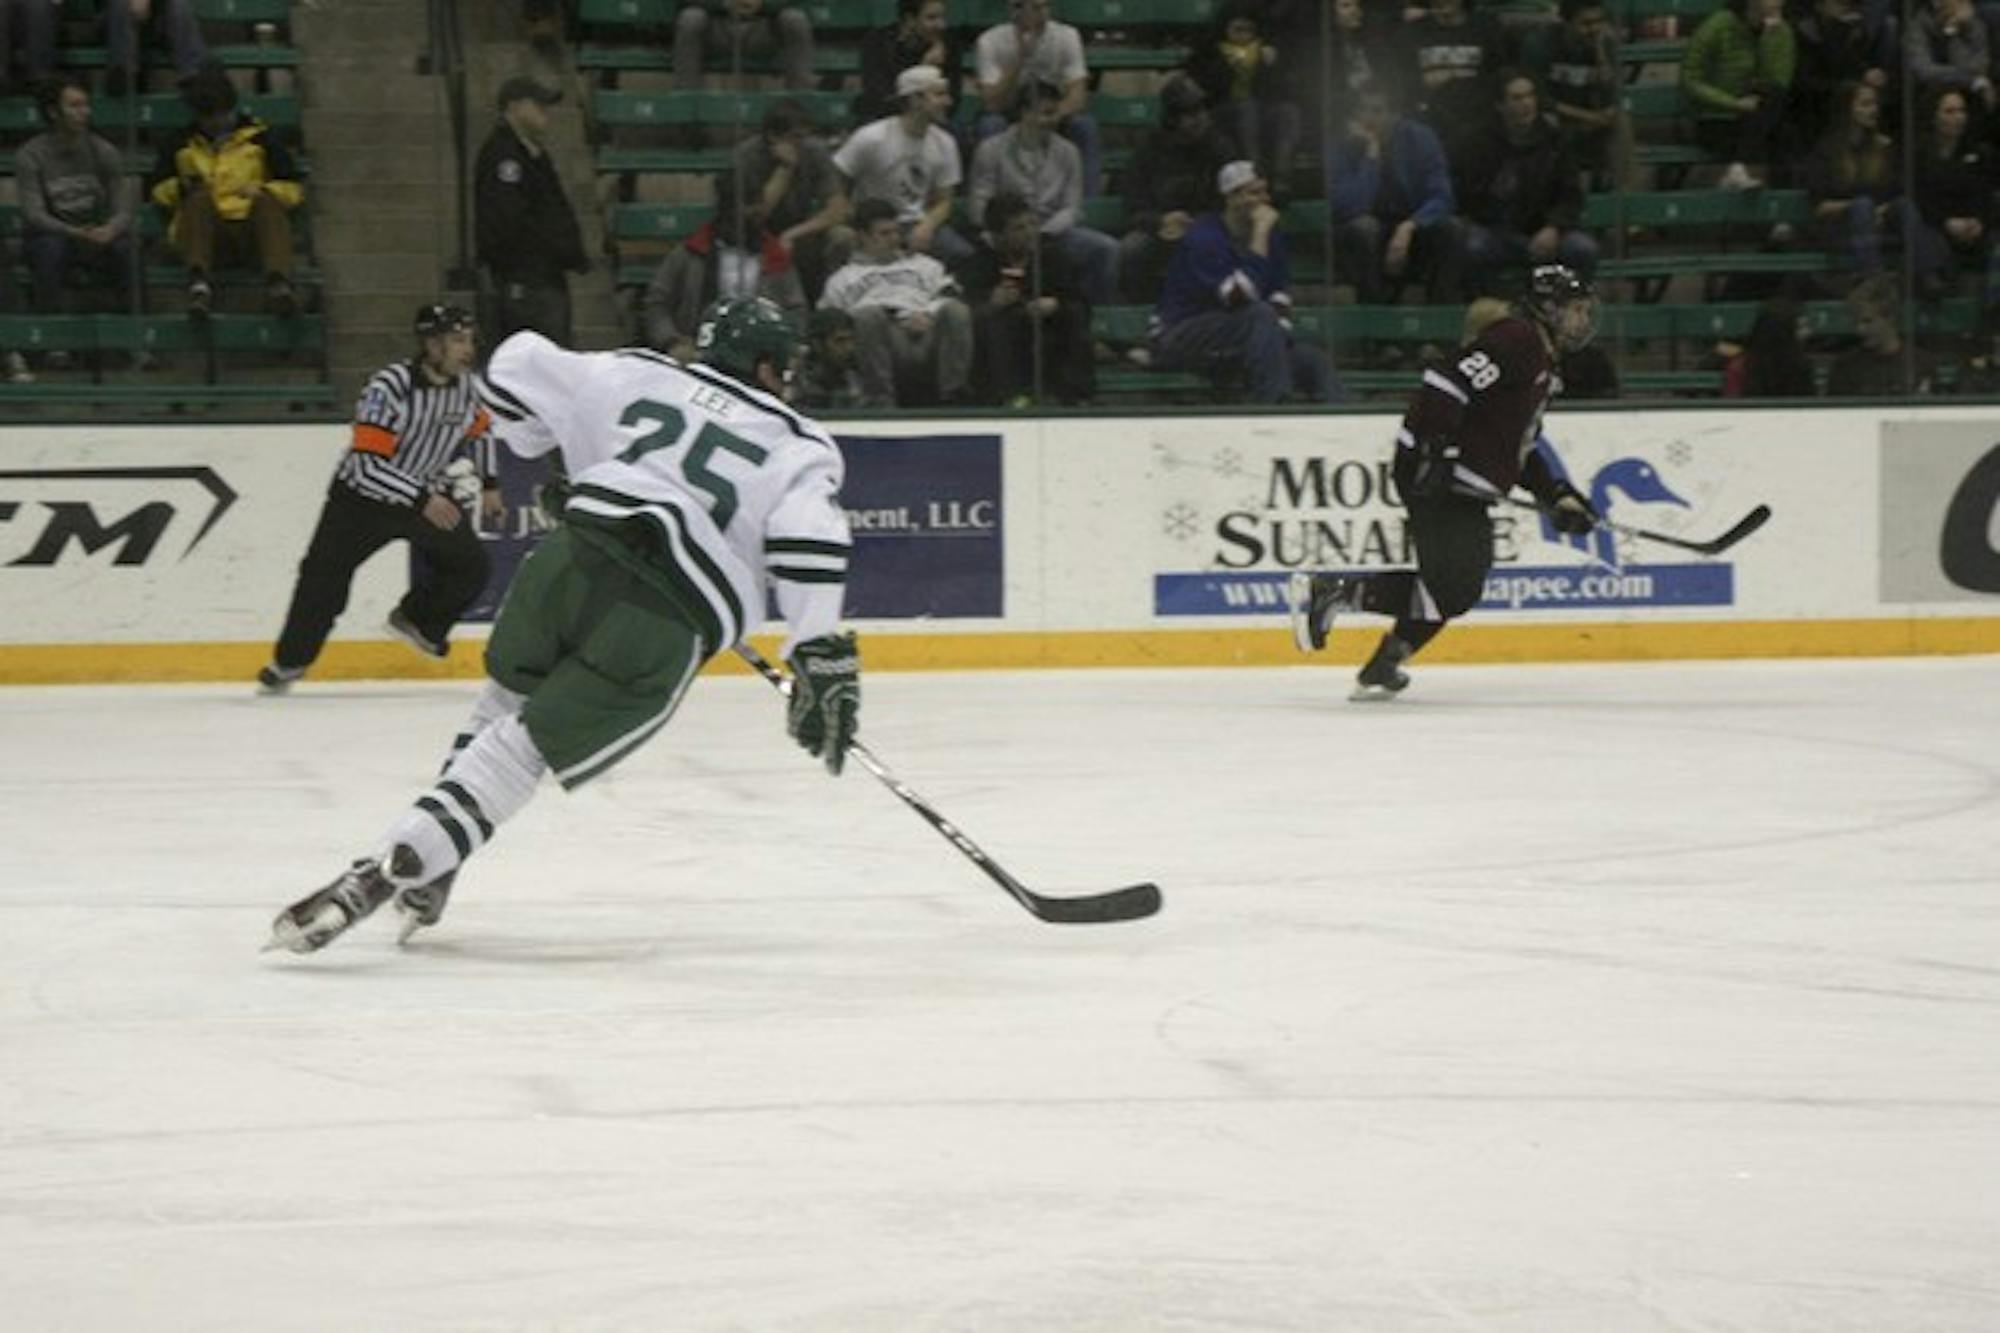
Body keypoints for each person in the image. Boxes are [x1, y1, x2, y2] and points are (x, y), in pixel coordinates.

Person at [265, 299, 859, 955]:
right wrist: (817, 652)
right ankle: (389, 865)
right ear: (767, 367)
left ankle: (438, 855)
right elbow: (809, 543)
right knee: (522, 749)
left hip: (570, 561)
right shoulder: (799, 443)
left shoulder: (635, 371)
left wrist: (569, 461)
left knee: (502, 707)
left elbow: (515, 364)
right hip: (665, 622)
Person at [1287, 265, 1600, 699]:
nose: (1584, 319)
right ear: (1548, 309)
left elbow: (1518, 445)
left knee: (1453, 583)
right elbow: (1446, 380)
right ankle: (1335, 592)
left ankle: (1385, 661)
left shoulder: (1542, 360)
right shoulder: (1518, 340)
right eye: (1576, 309)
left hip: (1453, 480)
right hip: (1437, 475)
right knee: (1455, 587)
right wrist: (1435, 452)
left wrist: (1556, 495)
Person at [257, 305, 502, 694]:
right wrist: (422, 498)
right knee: (322, 580)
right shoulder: (388, 387)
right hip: (362, 500)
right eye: (458, 340)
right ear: (432, 345)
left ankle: (417, 620)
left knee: (471, 566)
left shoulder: (468, 387)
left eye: (470, 340)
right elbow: (367, 464)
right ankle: (290, 662)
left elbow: (482, 430)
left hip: (423, 495)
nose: (468, 349)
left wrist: (490, 483)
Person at [1152, 159, 1341, 405]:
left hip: (1242, 338)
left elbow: (1279, 293)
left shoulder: (1272, 237)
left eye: (1265, 192)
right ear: (1231, 197)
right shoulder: (1203, 237)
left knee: (1312, 359)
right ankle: (1274, 407)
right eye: (1254, 193)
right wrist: (1260, 233)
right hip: (1182, 334)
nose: (1264, 200)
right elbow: (1238, 296)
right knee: (1259, 314)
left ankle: (1343, 414)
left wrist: (1276, 340)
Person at [148, 68, 304, 317]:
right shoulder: (178, 143)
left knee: (267, 202)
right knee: (198, 200)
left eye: (221, 114)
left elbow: (294, 187)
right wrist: (180, 188)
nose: (216, 122)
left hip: (251, 229)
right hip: (205, 231)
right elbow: (156, 190)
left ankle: (279, 284)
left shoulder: (261, 138)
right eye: (208, 116)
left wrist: (264, 189)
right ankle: (198, 285)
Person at [967, 77, 1119, 304]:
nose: (1053, 120)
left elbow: (1072, 207)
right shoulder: (991, 149)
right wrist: (1003, 231)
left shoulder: (1069, 152)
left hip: (1053, 233)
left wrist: (1042, 232)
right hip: (1006, 232)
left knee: (1106, 248)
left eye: (1055, 113)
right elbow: (979, 204)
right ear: (1024, 113)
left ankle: (1096, 315)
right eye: (1046, 113)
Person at [818, 196, 974, 406]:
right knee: (867, 315)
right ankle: (880, 400)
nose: (894, 239)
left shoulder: (924, 265)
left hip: (928, 333)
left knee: (956, 311)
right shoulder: (843, 278)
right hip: (881, 337)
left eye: (896, 232)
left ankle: (953, 397)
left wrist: (928, 313)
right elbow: (831, 320)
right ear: (862, 236)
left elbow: (952, 294)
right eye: (884, 233)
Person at [1455, 71, 1598, 291]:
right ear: (1500, 105)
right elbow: (1469, 197)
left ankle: (1570, 305)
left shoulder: (1555, 141)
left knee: (1583, 249)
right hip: (1498, 233)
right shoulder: (1479, 144)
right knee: (1472, 248)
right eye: (1517, 98)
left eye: (1530, 95)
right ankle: (1490, 305)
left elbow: (1571, 195)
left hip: (1546, 231)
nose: (1527, 103)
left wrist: (1554, 227)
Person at [641, 170, 806, 359]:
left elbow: (796, 310)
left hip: (761, 358)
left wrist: (788, 346)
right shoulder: (690, 254)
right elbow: (657, 303)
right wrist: (671, 342)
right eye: (747, 205)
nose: (755, 213)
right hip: (698, 353)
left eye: (757, 204)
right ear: (727, 210)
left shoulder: (775, 256)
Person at [475, 76, 589, 348]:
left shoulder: (532, 154)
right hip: (526, 279)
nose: (544, 110)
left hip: (543, 277)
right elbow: (508, 220)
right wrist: (555, 246)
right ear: (513, 107)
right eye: (536, 103)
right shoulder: (504, 156)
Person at [1327, 77, 1464, 304]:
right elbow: (1349, 207)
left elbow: (1443, 197)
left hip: (1412, 232)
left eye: (1377, 111)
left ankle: (1439, 315)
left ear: (1395, 115)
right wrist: (1371, 155)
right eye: (1362, 110)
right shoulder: (1343, 145)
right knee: (1364, 228)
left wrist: (1410, 226)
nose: (1368, 118)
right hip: (1365, 239)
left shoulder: (1421, 138)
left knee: (1452, 229)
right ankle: (1373, 318)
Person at [15, 78, 137, 319]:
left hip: (98, 233)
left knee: (126, 249)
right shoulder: (30, 155)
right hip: (55, 234)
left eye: (86, 105)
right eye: (75, 106)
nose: (85, 112)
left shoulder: (104, 151)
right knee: (49, 249)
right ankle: (50, 330)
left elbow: (123, 208)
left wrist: (110, 229)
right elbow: (34, 214)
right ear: (53, 112)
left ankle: (134, 328)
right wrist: (73, 232)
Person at [957, 191, 1095, 405]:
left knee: (1073, 319)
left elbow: (1081, 303)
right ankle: (1006, 398)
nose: (1030, 233)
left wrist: (1056, 304)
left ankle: (1073, 396)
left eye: (1032, 224)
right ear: (997, 235)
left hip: (1047, 330)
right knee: (993, 326)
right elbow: (965, 313)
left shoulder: (1052, 257)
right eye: (1019, 228)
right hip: (1005, 339)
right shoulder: (978, 264)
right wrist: (992, 304)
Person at [832, 65, 972, 263]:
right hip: (872, 222)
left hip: (915, 222)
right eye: (939, 95)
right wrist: (850, 218)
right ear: (915, 100)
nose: (948, 102)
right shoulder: (871, 138)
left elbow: (945, 201)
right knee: (841, 241)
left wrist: (927, 226)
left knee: (962, 255)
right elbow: (837, 181)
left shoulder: (945, 142)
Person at [1117, 74, 1233, 303]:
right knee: (1131, 248)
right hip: (1159, 229)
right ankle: (1140, 310)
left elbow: (1229, 201)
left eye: (1202, 110)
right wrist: (1160, 221)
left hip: (1206, 226)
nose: (1199, 119)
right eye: (1190, 113)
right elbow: (1133, 204)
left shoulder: (1219, 148)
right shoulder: (1149, 147)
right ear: (1172, 118)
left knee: (1213, 244)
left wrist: (1198, 222)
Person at [973, 0, 1100, 196]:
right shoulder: (990, 41)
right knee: (990, 125)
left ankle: (1088, 202)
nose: (1041, 13)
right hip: (1010, 114)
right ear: (1016, 9)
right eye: (1034, 7)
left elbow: (1078, 95)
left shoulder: (1067, 36)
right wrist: (1020, 59)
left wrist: (1053, 114)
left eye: (1045, 6)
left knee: (1084, 126)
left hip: (1052, 112)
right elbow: (992, 103)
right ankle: (992, 201)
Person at [730, 98, 849, 301]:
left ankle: (831, 303)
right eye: (795, 137)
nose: (802, 143)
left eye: (805, 136)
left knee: (842, 237)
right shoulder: (747, 156)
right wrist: (785, 169)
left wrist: (792, 234)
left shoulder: (814, 151)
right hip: (755, 233)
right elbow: (757, 215)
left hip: (800, 229)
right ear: (773, 137)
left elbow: (838, 210)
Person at [1182, 0, 1303, 198]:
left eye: (1248, 30)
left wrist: (1271, 66)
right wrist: (1226, 67)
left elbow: (1282, 90)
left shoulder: (1264, 49)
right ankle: (1255, 177)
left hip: (1260, 110)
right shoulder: (1210, 50)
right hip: (1221, 111)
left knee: (1288, 113)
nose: (1243, 35)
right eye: (1237, 29)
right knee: (1247, 108)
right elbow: (1202, 85)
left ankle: (1282, 178)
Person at [1681, 0, 1798, 190]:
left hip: (1758, 113)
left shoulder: (1781, 31)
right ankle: (1745, 173)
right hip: (1716, 118)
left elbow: (1778, 79)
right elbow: (1690, 81)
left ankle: (1741, 170)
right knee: (1780, 134)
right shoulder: (1717, 26)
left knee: (1784, 120)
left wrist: (1769, 41)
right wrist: (1734, 103)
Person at [1803, 79, 1899, 275]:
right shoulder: (1827, 151)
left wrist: (1882, 210)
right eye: (1865, 104)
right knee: (1863, 205)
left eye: (1875, 104)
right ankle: (1872, 275)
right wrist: (1857, 207)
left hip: (1879, 224)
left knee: (1904, 207)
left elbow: (1896, 191)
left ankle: (1929, 276)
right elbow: (1818, 205)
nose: (1874, 110)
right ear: (1847, 110)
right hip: (1839, 226)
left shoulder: (1884, 148)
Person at [1910, 88, 1994, 297]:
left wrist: (1978, 221)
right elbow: (1918, 197)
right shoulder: (1918, 154)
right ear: (1934, 117)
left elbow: (1985, 195)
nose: (1958, 117)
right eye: (1949, 111)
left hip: (1972, 230)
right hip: (1934, 225)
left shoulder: (1979, 153)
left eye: (1961, 110)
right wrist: (1946, 222)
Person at [856, 0, 963, 124]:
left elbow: (951, 100)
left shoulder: (948, 44)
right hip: (884, 120)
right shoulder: (877, 43)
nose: (941, 25)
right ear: (910, 19)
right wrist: (924, 70)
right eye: (931, 18)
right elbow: (880, 98)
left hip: (934, 121)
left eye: (942, 17)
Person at [673, 0, 815, 92]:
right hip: (716, 31)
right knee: (690, 18)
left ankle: (801, 106)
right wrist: (725, 2)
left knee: (795, 19)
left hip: (764, 32)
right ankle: (687, 107)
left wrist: (762, 4)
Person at [103, 0, 207, 97]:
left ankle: (195, 76)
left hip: (157, 20)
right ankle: (123, 74)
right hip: (113, 20)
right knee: (120, 4)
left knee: (177, 4)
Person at [794, 306, 865, 409]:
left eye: (851, 340)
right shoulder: (799, 380)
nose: (849, 348)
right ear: (817, 344)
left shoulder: (853, 374)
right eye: (840, 341)